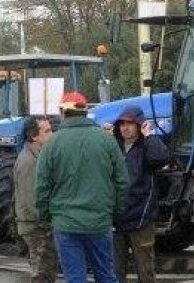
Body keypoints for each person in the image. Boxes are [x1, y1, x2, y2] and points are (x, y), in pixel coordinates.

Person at [35, 92, 129, 283]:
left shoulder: (52, 144)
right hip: (100, 222)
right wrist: (114, 212)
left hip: (66, 223)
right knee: (106, 275)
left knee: (75, 278)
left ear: (63, 112)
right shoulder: (107, 141)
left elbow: (42, 187)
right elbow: (122, 182)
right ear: (85, 112)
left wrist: (47, 215)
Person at [110, 105, 170, 283]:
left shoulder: (147, 146)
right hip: (116, 220)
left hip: (141, 219)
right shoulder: (114, 145)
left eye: (130, 123)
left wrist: (149, 135)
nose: (125, 128)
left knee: (145, 271)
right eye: (122, 124)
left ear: (139, 125)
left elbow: (160, 158)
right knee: (114, 272)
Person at [13, 115, 57, 282]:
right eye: (47, 131)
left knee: (46, 271)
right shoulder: (29, 162)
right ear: (34, 136)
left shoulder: (37, 157)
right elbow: (31, 199)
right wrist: (47, 221)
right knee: (42, 273)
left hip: (37, 225)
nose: (51, 134)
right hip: (36, 227)